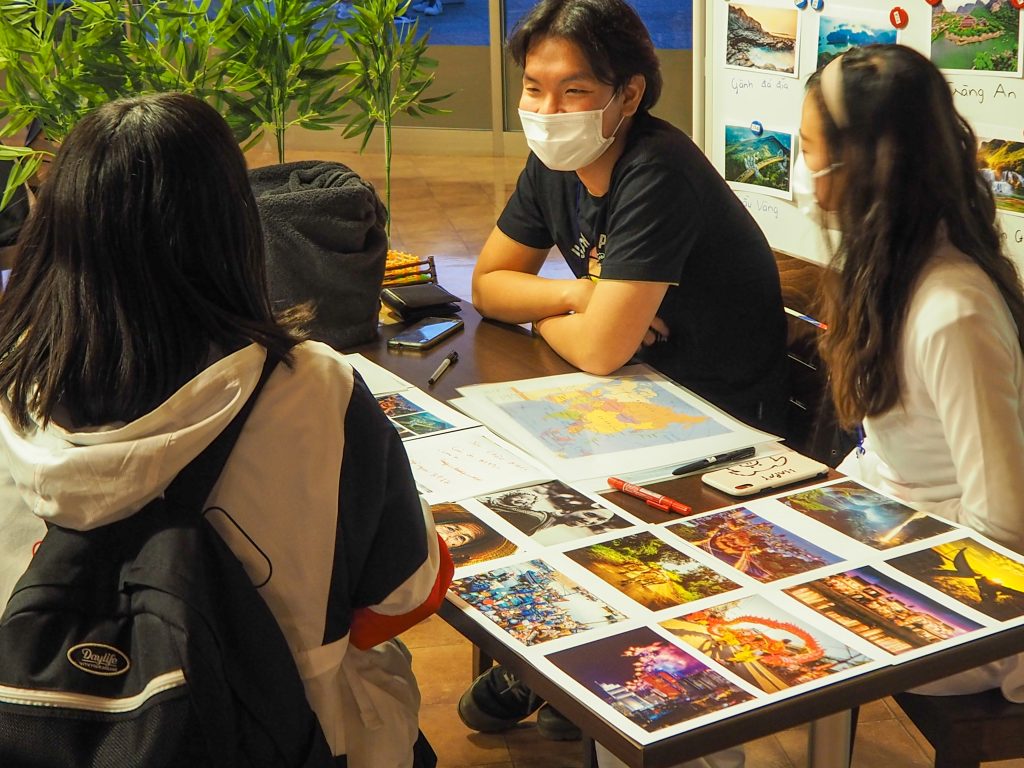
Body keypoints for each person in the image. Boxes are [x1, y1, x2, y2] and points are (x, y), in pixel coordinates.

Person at [0, 93, 454, 768]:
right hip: (278, 735)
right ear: (236, 226)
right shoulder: (312, 390)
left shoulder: (13, 388)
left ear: (60, 224)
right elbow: (404, 596)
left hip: (39, 723)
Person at [799, 44, 1024, 700]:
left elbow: (1003, 528)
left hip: (970, 591)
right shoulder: (892, 274)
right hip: (899, 531)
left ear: (864, 166)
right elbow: (888, 455)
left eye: (812, 149)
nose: (809, 174)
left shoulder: (953, 311)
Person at [471, 0, 788, 437]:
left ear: (630, 95)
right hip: (636, 392)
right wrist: (579, 297)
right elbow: (488, 287)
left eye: (573, 91)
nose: (546, 113)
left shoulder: (659, 172)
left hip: (719, 413)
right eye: (533, 88)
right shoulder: (554, 162)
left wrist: (539, 317)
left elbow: (600, 350)